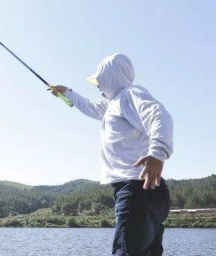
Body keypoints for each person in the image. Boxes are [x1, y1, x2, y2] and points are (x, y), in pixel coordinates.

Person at [50, 53, 173, 256]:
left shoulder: (130, 95)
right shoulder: (112, 105)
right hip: (147, 191)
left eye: (100, 80)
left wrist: (158, 154)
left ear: (110, 77)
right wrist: (66, 93)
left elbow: (160, 115)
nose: (97, 85)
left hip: (136, 190)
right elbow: (89, 107)